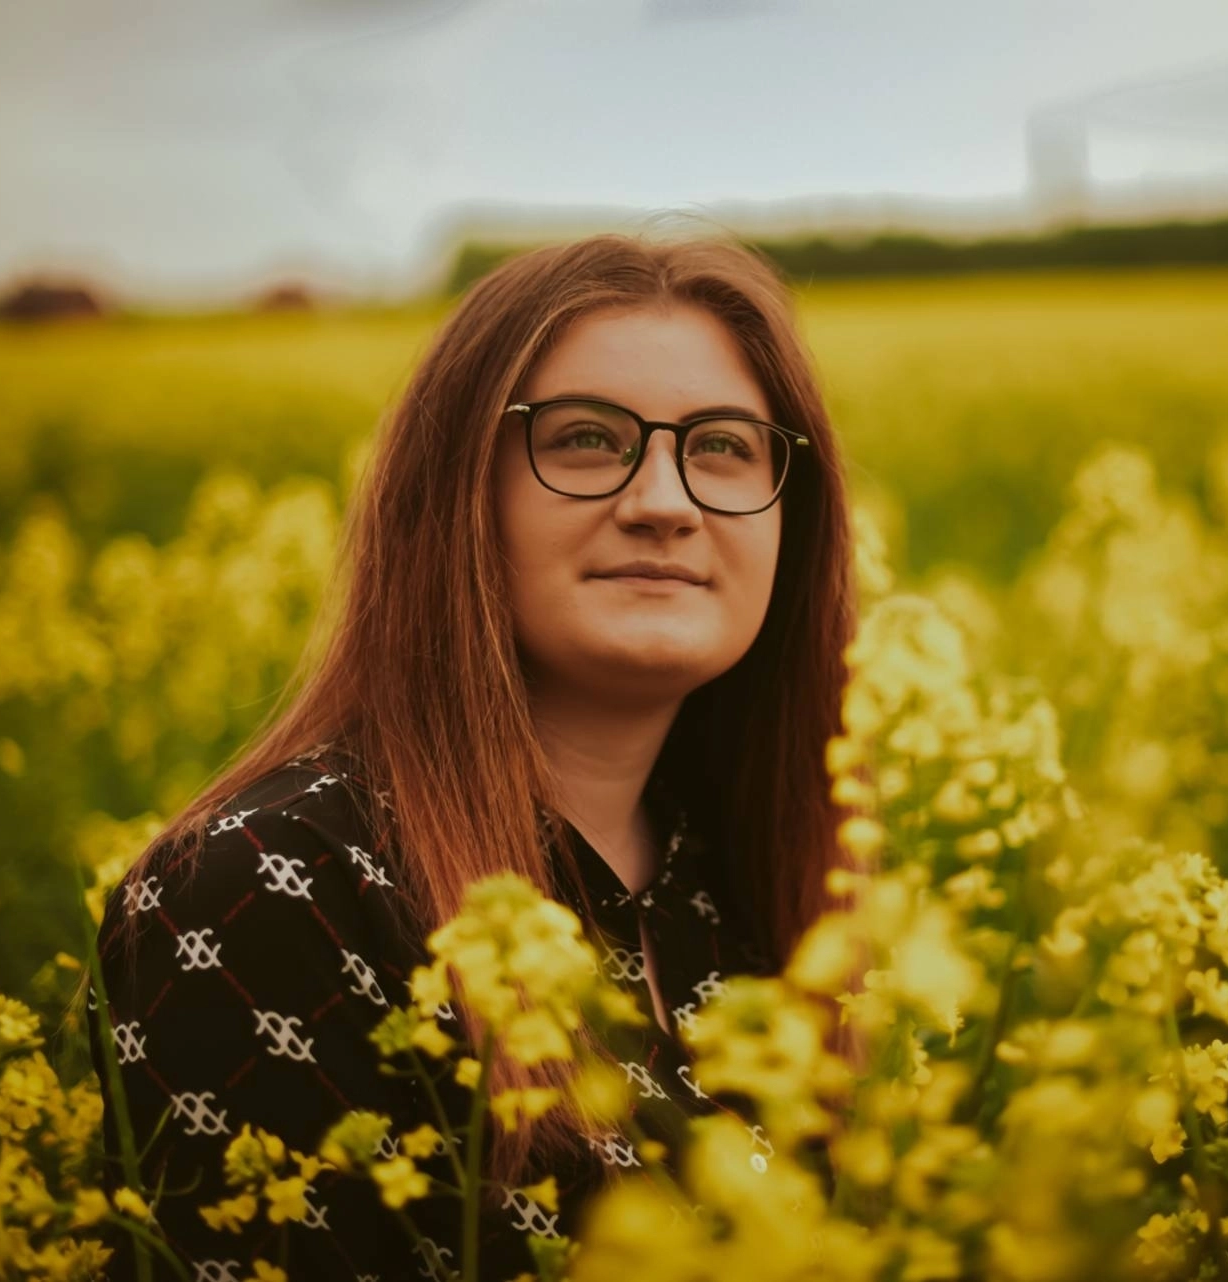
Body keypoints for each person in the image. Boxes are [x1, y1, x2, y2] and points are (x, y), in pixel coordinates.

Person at [86, 228, 861, 1281]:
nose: (664, 503)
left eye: (724, 446)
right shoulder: (264, 887)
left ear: (791, 519)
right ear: (458, 494)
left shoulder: (774, 888)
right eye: (586, 439)